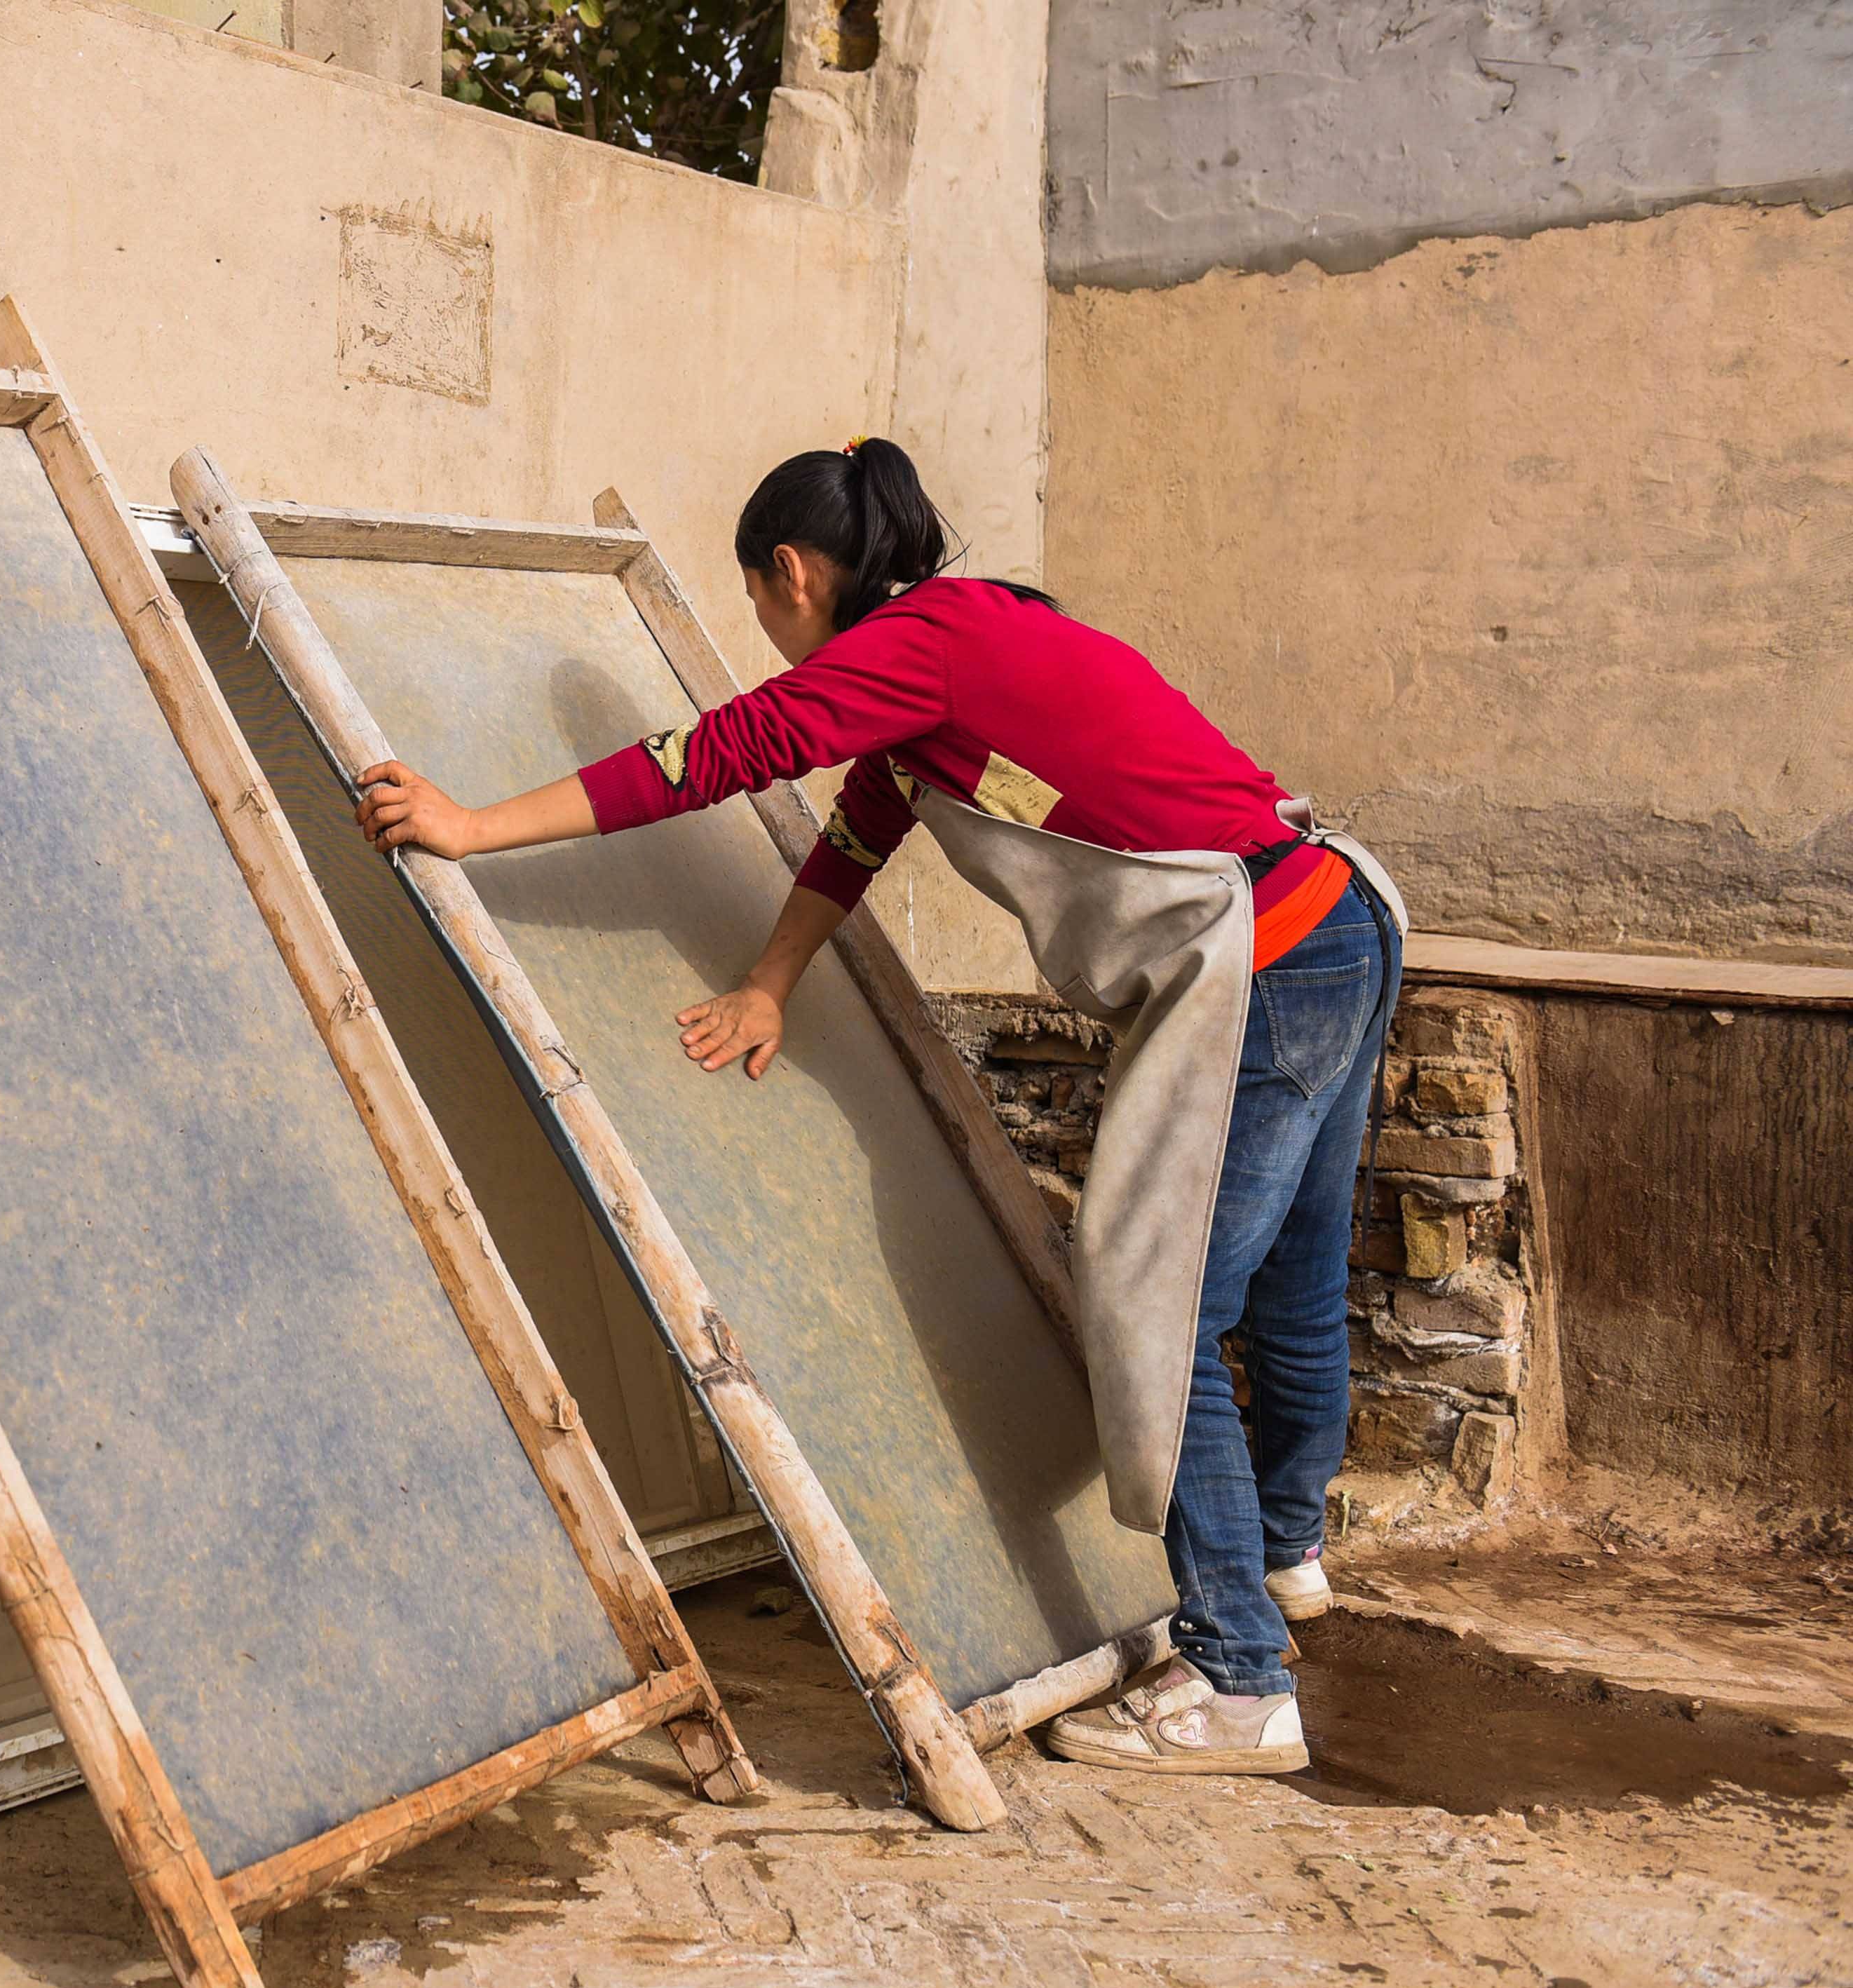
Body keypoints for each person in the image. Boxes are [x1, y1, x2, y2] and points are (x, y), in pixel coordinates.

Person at [349, 438, 1403, 1776]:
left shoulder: (912, 648)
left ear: (792, 573)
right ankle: (1286, 1556)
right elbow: (859, 827)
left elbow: (720, 754)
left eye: (762, 609)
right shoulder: (980, 632)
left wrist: (473, 826)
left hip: (1266, 966)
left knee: (1162, 1301)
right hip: (1336, 923)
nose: (776, 644)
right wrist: (771, 981)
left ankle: (1240, 1679)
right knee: (1298, 1281)